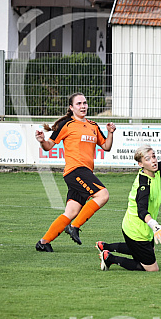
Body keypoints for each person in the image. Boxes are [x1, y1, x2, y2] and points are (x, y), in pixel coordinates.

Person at [96, 137, 161, 272]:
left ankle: (106, 246)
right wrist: (153, 224)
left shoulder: (156, 171)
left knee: (146, 252)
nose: (153, 160)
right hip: (135, 230)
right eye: (148, 159)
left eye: (153, 156)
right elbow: (141, 210)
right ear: (141, 164)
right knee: (152, 269)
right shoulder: (143, 185)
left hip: (144, 229)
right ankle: (110, 258)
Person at [34, 92, 115, 252]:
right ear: (71, 107)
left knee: (71, 211)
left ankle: (43, 243)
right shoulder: (67, 125)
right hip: (75, 171)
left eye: (84, 103)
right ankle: (74, 227)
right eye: (78, 104)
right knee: (103, 195)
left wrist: (111, 132)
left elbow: (106, 146)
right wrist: (42, 141)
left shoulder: (93, 126)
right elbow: (49, 146)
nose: (83, 106)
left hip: (84, 173)